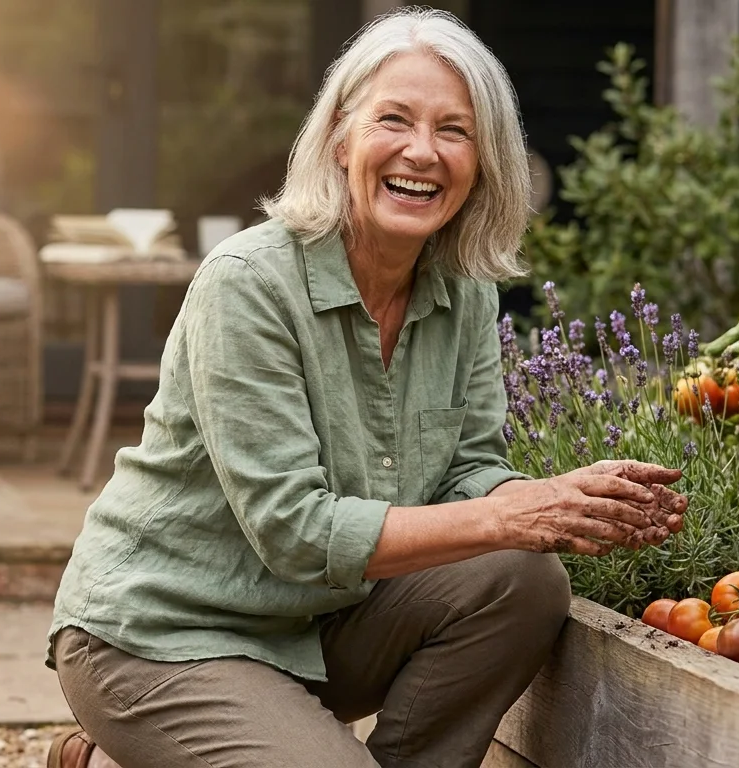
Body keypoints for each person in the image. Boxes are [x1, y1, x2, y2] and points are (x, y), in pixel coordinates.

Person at [45, 8, 687, 768]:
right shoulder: (248, 284)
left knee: (523, 579)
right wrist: (507, 515)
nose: (423, 151)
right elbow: (294, 530)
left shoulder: (463, 290)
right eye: (395, 119)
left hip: (315, 629)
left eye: (455, 130)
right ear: (342, 137)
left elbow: (468, 472)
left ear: (484, 161)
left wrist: (559, 505)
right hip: (163, 635)